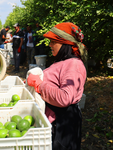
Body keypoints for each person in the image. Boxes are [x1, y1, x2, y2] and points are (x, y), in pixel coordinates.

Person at [27, 22, 88, 150]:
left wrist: (39, 84)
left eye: (53, 42)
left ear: (66, 43)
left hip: (62, 125)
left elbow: (65, 97)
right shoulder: (62, 62)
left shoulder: (73, 65)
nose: (50, 45)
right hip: (56, 123)